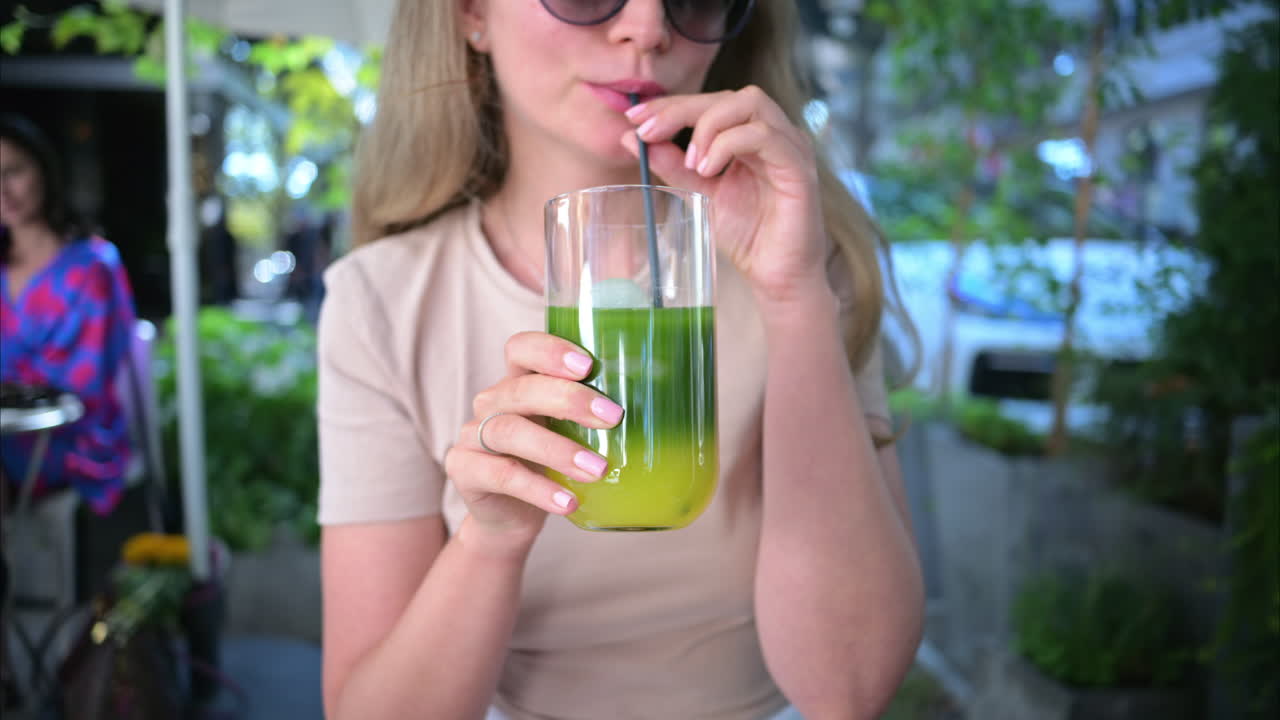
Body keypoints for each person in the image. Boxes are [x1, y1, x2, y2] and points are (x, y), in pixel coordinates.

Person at [318, 2, 923, 718]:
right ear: (473, 13)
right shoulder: (381, 303)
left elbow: (849, 690)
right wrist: (491, 539)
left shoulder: (804, 261)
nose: (649, 28)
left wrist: (794, 300)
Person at [0, 114, 137, 516]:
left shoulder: (93, 265)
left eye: (13, 172)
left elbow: (84, 384)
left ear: (43, 171)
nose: (3, 191)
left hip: (69, 434)